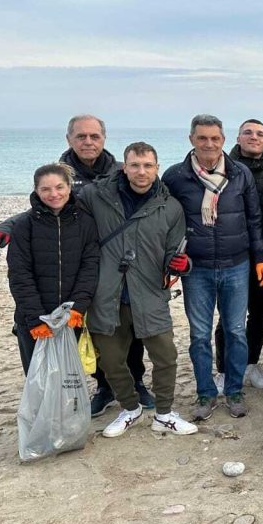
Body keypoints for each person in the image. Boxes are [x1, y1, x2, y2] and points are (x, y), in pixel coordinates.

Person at [0, 113, 150, 415]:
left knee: (127, 326)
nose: (88, 141)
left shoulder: (119, 171)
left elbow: (147, 201)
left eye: (94, 136)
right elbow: (41, 206)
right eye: (81, 136)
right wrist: (7, 227)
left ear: (103, 138)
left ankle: (136, 381)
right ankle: (103, 387)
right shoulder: (59, 173)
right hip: (78, 258)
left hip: (117, 261)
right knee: (97, 333)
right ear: (69, 139)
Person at [82, 142, 198, 437]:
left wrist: (182, 264)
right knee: (110, 360)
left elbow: (175, 251)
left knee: (166, 357)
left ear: (157, 168)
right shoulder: (97, 196)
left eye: (148, 165)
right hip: (107, 293)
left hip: (149, 293)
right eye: (135, 165)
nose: (141, 171)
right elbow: (58, 209)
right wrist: (9, 226)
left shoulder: (170, 207)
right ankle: (129, 408)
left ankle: (164, 413)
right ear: (125, 166)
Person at [163, 115, 263, 422]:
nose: (209, 144)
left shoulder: (240, 174)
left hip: (237, 265)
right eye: (202, 138)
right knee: (199, 335)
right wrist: (170, 257)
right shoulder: (175, 177)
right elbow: (164, 222)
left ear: (224, 140)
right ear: (192, 140)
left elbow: (254, 220)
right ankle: (206, 394)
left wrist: (260, 258)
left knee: (236, 331)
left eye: (214, 138)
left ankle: (234, 391)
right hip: (197, 269)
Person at [6, 163, 100, 375]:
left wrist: (78, 307)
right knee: (38, 379)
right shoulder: (24, 225)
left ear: (69, 187)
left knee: (69, 379)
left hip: (71, 318)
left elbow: (90, 266)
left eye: (59, 187)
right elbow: (19, 275)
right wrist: (35, 318)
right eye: (45, 189)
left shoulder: (85, 223)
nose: (54, 194)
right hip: (33, 319)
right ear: (36, 190)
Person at [215, 119, 263, 391]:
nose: (254, 137)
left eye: (260, 134)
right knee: (229, 317)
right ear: (238, 137)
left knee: (259, 314)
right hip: (230, 255)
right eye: (248, 133)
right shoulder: (221, 170)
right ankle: (223, 369)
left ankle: (251, 364)